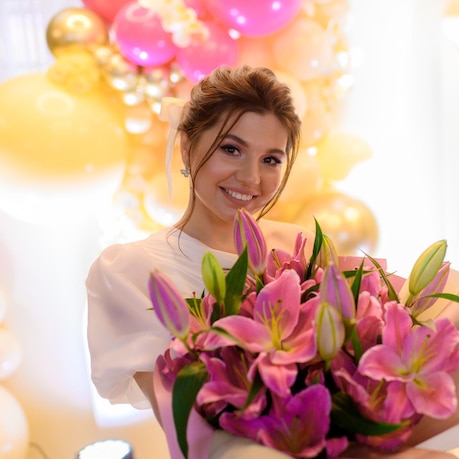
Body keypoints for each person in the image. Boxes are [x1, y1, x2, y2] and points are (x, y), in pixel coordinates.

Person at [85, 65, 315, 455]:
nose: (251, 178)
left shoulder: (300, 247)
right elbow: (188, 429)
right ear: (187, 147)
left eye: (271, 160)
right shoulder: (133, 273)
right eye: (231, 149)